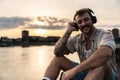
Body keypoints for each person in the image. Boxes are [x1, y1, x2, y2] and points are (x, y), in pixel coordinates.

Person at [42, 8, 118, 80]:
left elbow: (106, 53)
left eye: (86, 20)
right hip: (86, 73)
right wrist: (68, 32)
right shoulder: (77, 39)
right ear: (77, 26)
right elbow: (57, 52)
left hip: (107, 75)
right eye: (79, 22)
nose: (83, 24)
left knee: (100, 65)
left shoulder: (105, 34)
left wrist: (74, 70)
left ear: (93, 20)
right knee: (58, 59)